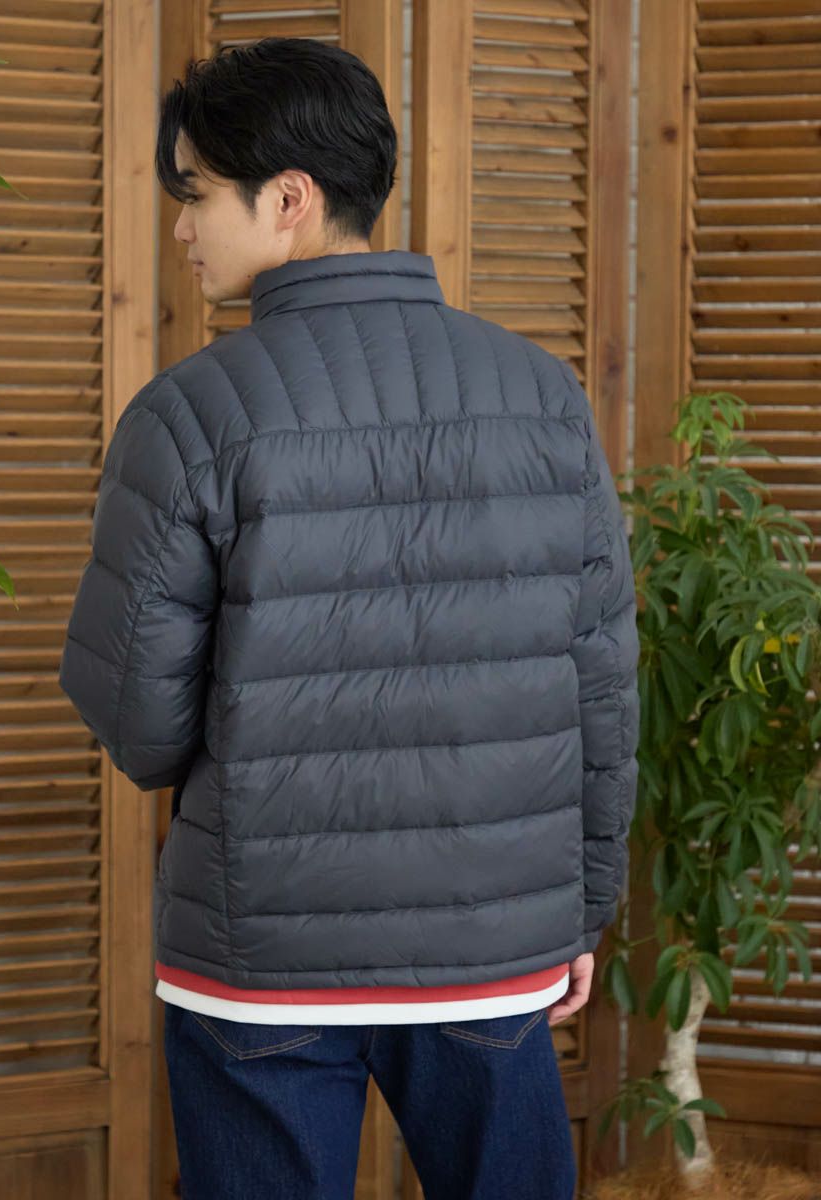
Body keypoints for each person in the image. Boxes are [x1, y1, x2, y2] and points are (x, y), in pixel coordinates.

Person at [59, 36, 640, 1200]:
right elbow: (600, 685)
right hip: (490, 951)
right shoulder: (544, 397)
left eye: (195, 193)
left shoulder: (187, 417)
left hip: (262, 960)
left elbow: (143, 728)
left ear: (289, 199)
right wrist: (580, 912)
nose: (180, 227)